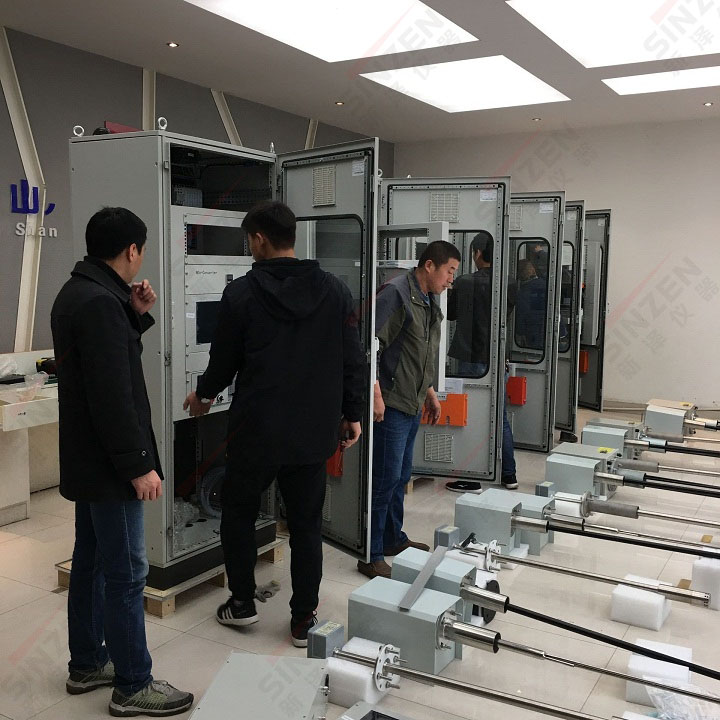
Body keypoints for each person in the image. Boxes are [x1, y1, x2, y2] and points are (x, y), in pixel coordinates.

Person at [183, 201, 365, 647]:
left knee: (240, 514)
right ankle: (303, 620)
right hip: (312, 432)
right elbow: (352, 360)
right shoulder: (336, 292)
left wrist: (203, 395)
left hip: (256, 431)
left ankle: (242, 603)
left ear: (260, 239)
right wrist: (353, 413)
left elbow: (224, 360)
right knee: (305, 525)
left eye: (249, 239)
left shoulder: (241, 294)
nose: (250, 246)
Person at [51, 207, 193, 717]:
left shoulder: (80, 293)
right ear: (131, 250)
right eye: (142, 250)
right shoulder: (99, 303)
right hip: (111, 468)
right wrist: (138, 465)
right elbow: (113, 396)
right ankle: (133, 684)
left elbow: (100, 366)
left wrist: (134, 312)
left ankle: (88, 662)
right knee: (129, 573)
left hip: (89, 460)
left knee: (91, 564)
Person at [358, 241, 460, 579]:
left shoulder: (427, 299)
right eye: (449, 271)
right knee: (384, 479)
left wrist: (429, 391)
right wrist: (375, 393)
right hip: (391, 404)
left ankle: (392, 538)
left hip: (412, 401)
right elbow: (370, 345)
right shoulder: (396, 294)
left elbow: (418, 351)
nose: (451, 280)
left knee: (401, 476)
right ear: (429, 265)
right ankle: (370, 554)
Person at [445, 231, 518, 491]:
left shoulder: (464, 282)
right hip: (498, 358)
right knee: (499, 416)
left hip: (471, 358)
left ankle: (472, 478)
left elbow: (450, 314)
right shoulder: (509, 283)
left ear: (477, 253)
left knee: (472, 416)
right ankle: (509, 475)